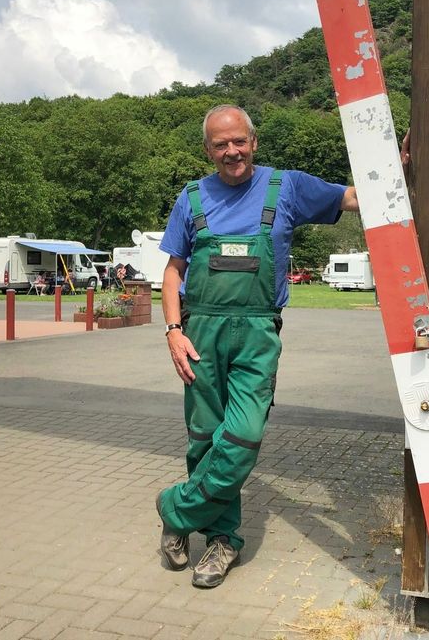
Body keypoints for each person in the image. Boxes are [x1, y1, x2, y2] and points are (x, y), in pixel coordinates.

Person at [156, 104, 359, 588]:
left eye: (239, 141)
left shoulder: (286, 186)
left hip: (257, 334)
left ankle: (176, 510)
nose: (232, 152)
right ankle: (223, 541)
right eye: (221, 144)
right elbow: (172, 271)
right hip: (198, 332)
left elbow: (354, 198)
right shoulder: (190, 197)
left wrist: (399, 168)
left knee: (242, 437)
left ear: (254, 141)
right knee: (205, 438)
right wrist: (172, 332)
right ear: (208, 150)